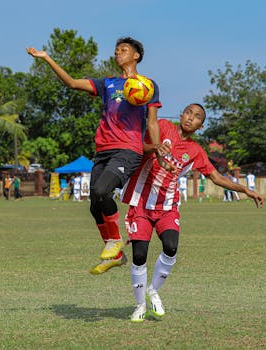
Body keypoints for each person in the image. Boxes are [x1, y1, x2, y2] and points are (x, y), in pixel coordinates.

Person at [28, 37, 165, 270]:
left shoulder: (147, 85)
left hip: (128, 150)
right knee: (94, 204)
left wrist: (158, 149)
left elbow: (152, 122)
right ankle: (116, 256)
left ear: (136, 56)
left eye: (123, 50)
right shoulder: (107, 83)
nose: (117, 54)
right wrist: (47, 58)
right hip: (103, 150)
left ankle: (115, 241)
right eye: (115, 50)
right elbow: (71, 83)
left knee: (103, 190)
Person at [119, 103, 264, 322]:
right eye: (188, 112)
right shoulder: (163, 126)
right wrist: (154, 147)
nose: (190, 118)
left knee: (171, 246)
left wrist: (244, 189)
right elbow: (139, 145)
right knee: (140, 255)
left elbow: (216, 177)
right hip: (141, 203)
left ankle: (153, 291)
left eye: (196, 117)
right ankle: (139, 305)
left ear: (201, 126)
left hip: (168, 206)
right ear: (181, 114)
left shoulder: (195, 151)